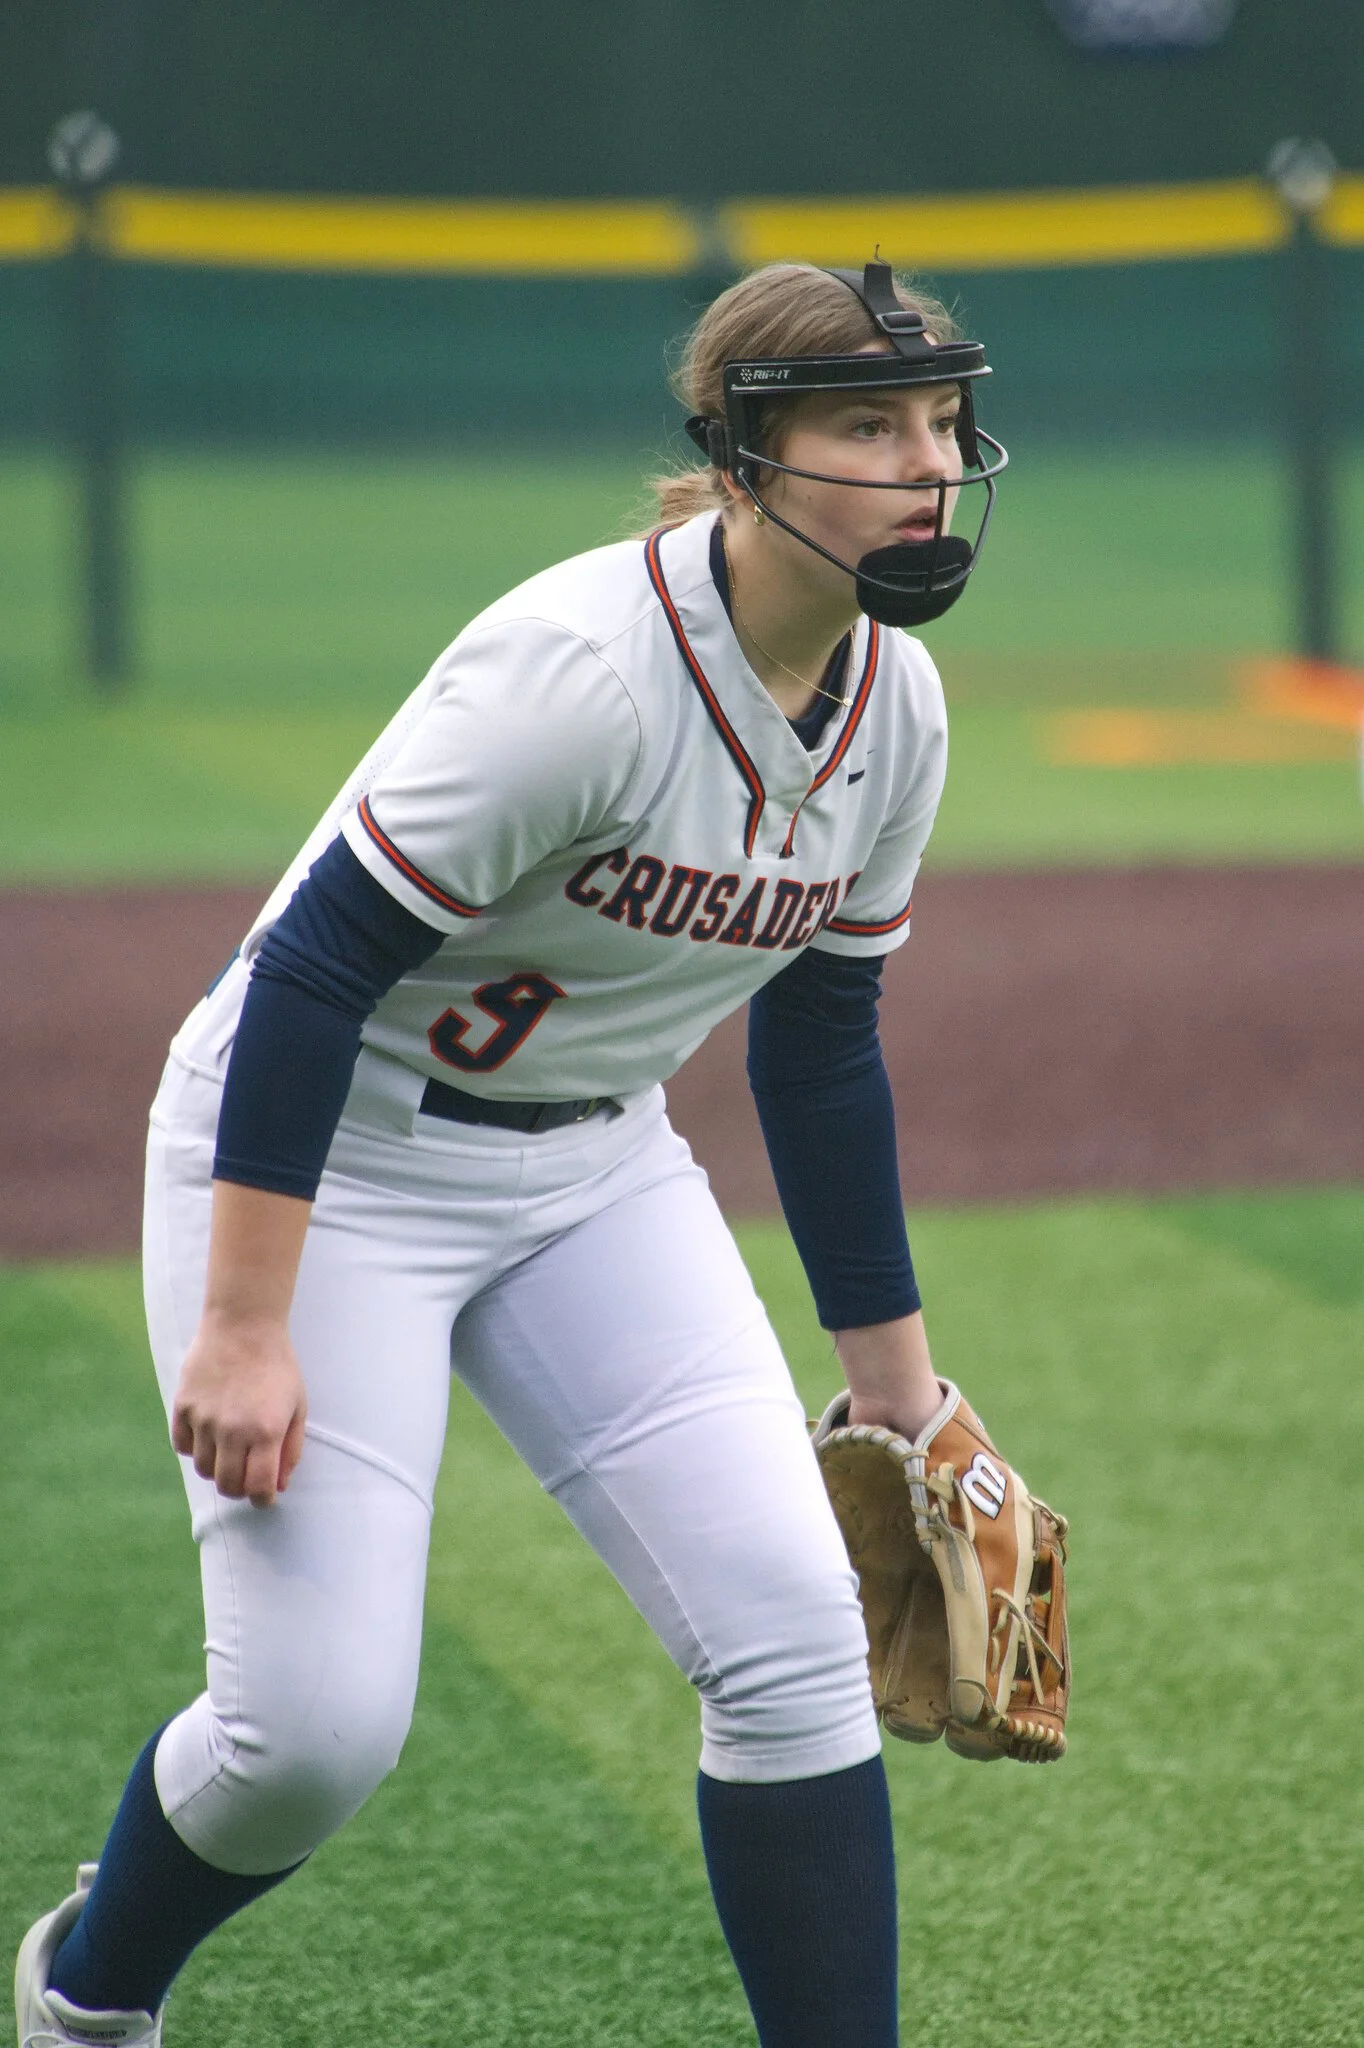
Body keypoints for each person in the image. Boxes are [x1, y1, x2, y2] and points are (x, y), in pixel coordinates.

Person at [16, 258, 1006, 2048]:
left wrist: (902, 1395)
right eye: (871, 422)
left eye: (940, 422)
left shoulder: (900, 715)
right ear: (744, 454)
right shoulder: (584, 671)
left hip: (595, 1174)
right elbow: (314, 970)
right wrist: (247, 1324)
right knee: (307, 1738)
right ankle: (88, 2002)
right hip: (334, 1159)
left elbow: (820, 1043)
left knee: (793, 1645)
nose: (927, 463)